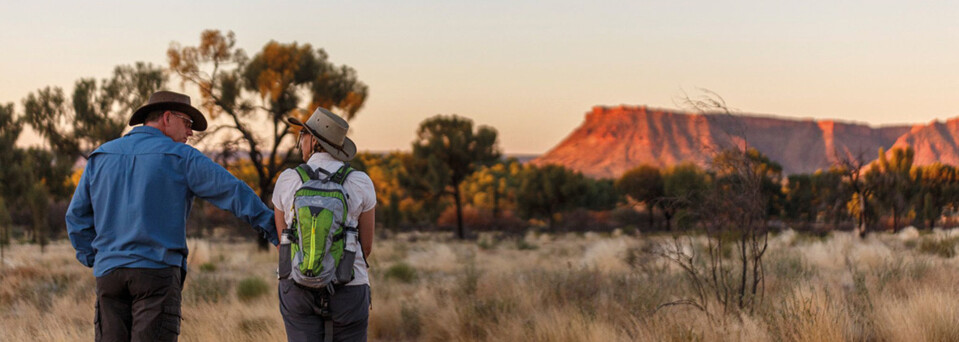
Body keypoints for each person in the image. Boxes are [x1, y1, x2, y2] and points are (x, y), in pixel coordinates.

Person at [65, 90, 278, 342]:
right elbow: (233, 191)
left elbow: (76, 216)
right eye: (187, 123)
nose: (190, 132)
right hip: (156, 274)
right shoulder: (180, 157)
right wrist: (275, 230)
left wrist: (97, 258)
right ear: (167, 118)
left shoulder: (101, 156)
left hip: (109, 276)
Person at [273, 107, 376, 342]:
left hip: (297, 285)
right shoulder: (361, 182)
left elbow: (283, 242)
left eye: (303, 136)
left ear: (314, 141)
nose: (300, 142)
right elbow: (366, 247)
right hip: (349, 284)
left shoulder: (288, 180)